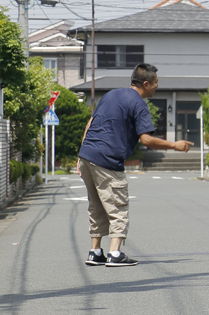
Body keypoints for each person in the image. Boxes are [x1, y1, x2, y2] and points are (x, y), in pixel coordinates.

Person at [78, 63, 194, 267]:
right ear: (146, 84)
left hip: (87, 155)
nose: (158, 86)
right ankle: (114, 254)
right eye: (156, 82)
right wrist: (175, 145)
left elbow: (90, 123)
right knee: (117, 205)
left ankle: (95, 251)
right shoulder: (139, 104)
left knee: (96, 205)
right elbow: (146, 140)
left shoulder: (111, 95)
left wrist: (81, 156)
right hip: (107, 160)